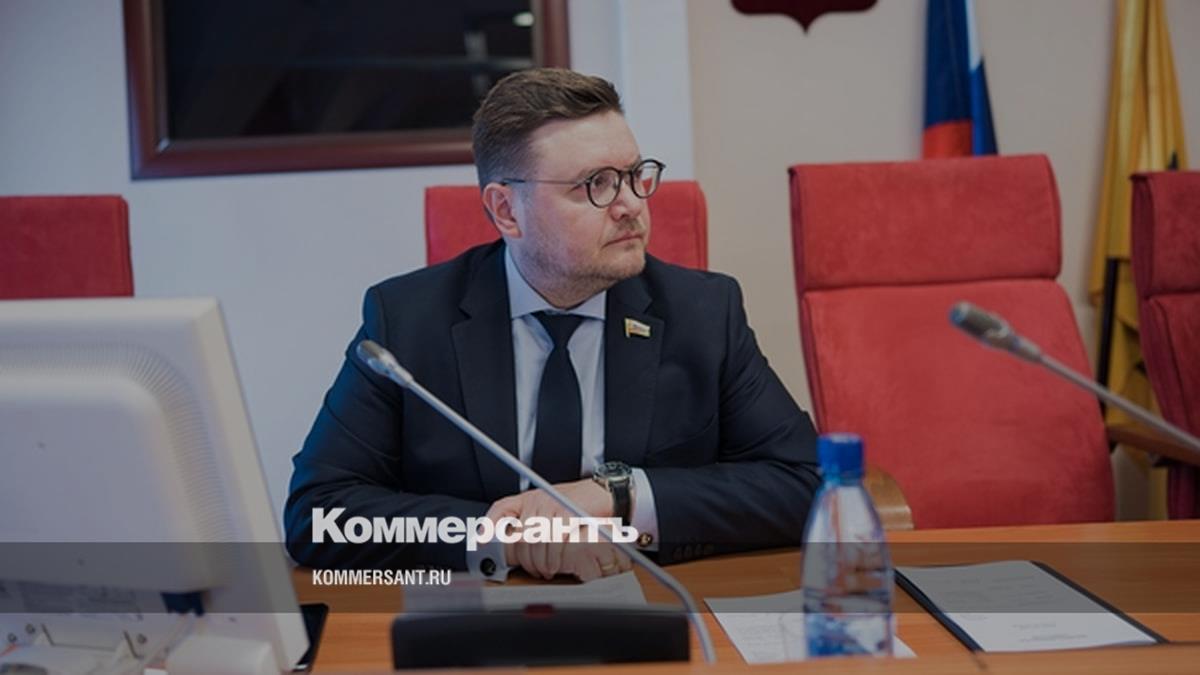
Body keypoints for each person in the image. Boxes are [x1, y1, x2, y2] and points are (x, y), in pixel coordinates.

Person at [285, 68, 820, 582]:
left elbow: (807, 483)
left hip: (651, 599)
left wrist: (619, 498)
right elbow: (319, 515)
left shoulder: (702, 312)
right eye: (595, 184)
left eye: (634, 176)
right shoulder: (407, 321)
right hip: (477, 613)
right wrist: (504, 536)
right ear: (506, 211)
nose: (631, 205)